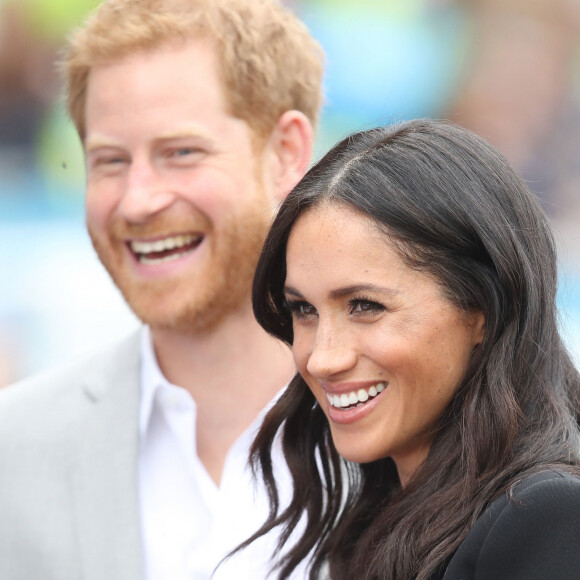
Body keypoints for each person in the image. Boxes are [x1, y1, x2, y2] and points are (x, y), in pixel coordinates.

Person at [0, 1, 323, 579]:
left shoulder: (413, 433)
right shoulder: (15, 450)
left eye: (180, 153)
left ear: (286, 153)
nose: (137, 200)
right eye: (109, 160)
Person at [246, 119, 580, 579]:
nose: (322, 357)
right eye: (304, 310)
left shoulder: (543, 515)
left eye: (365, 305)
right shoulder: (380, 512)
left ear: (482, 309)